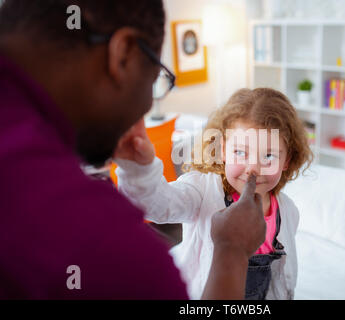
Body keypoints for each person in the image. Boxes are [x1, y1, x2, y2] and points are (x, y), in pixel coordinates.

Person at [0, 0, 265, 299]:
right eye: (156, 78)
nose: (148, 105)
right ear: (123, 53)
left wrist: (139, 171)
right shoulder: (112, 247)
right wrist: (232, 250)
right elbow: (162, 203)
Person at [115, 88, 314, 299]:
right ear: (222, 150)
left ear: (287, 161)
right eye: (240, 152)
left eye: (268, 156)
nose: (253, 168)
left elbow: (283, 280)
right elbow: (155, 205)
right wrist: (138, 169)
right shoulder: (201, 190)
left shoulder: (289, 212)